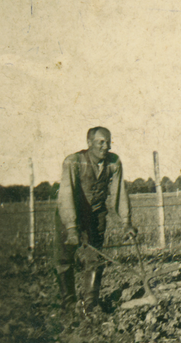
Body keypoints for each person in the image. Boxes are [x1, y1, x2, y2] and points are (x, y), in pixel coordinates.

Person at [54, 126, 138, 313]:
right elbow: (66, 194)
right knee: (64, 259)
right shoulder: (73, 162)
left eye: (108, 142)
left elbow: (119, 193)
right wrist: (71, 227)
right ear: (89, 143)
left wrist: (127, 223)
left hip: (96, 215)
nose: (105, 146)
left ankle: (91, 303)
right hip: (69, 213)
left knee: (95, 259)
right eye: (101, 142)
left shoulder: (114, 163)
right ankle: (68, 303)